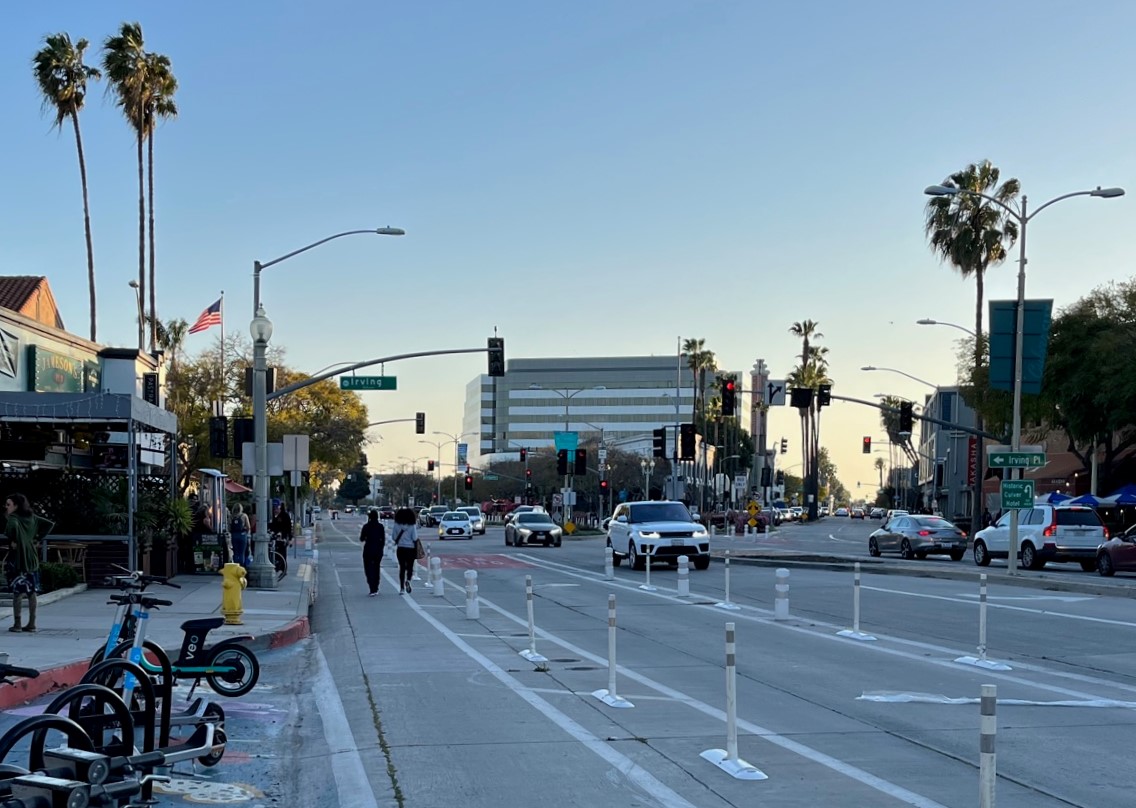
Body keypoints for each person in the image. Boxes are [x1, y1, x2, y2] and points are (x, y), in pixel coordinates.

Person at [4, 493, 52, 633]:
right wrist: (36, 538)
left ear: (16, 506)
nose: (6, 507)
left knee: (17, 593)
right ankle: (32, 623)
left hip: (18, 558)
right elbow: (49, 524)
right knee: (32, 592)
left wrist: (15, 538)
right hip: (31, 557)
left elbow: (10, 529)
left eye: (8, 504)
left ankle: (17, 624)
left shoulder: (13, 518)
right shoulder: (32, 518)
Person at [391, 507, 419, 594]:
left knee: (402, 568)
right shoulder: (412, 525)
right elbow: (414, 537)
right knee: (410, 567)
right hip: (410, 548)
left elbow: (393, 537)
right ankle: (408, 580)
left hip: (400, 548)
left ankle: (402, 588)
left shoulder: (396, 524)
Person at [359, 509, 386, 596]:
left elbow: (362, 538)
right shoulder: (380, 526)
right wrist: (381, 548)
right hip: (378, 550)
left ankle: (371, 587)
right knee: (376, 568)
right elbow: (383, 540)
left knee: (368, 569)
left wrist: (367, 538)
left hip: (368, 550)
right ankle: (376, 586)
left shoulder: (366, 526)